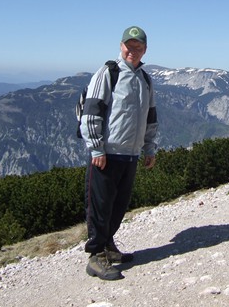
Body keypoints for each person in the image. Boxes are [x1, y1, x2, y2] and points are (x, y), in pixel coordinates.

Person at [80, 25, 158, 281]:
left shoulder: (145, 79)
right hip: (107, 154)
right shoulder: (108, 73)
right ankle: (96, 256)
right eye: (129, 46)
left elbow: (150, 117)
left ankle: (108, 246)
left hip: (131, 154)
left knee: (118, 205)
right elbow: (91, 111)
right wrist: (96, 148)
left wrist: (149, 147)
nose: (133, 51)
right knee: (100, 206)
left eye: (138, 47)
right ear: (121, 46)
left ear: (145, 49)